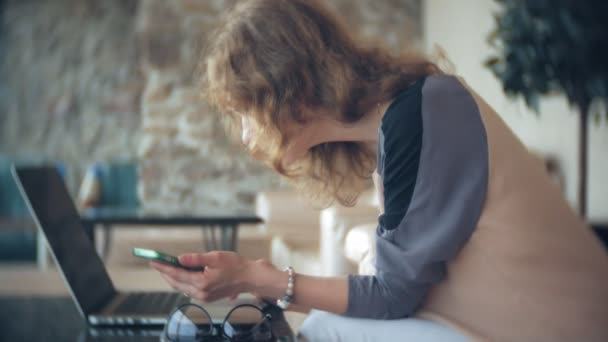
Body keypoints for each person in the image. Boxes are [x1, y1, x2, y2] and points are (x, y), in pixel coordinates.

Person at [150, 0, 608, 341]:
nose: (247, 136)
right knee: (325, 324)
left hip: (557, 330)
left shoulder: (422, 114)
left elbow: (393, 296)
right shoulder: (398, 122)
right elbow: (407, 264)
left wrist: (255, 276)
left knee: (325, 331)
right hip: (506, 324)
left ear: (285, 85)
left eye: (247, 111)